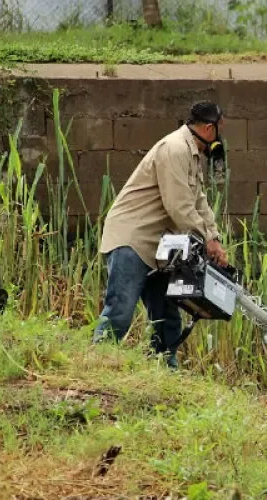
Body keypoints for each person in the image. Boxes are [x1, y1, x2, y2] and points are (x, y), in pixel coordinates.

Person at [93, 101, 230, 368]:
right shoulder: (175, 149)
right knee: (120, 310)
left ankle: (166, 371)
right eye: (219, 130)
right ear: (208, 127)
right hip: (133, 239)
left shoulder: (192, 155)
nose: (221, 138)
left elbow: (199, 201)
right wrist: (206, 241)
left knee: (167, 316)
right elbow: (179, 206)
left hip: (160, 247)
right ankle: (97, 366)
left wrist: (214, 237)